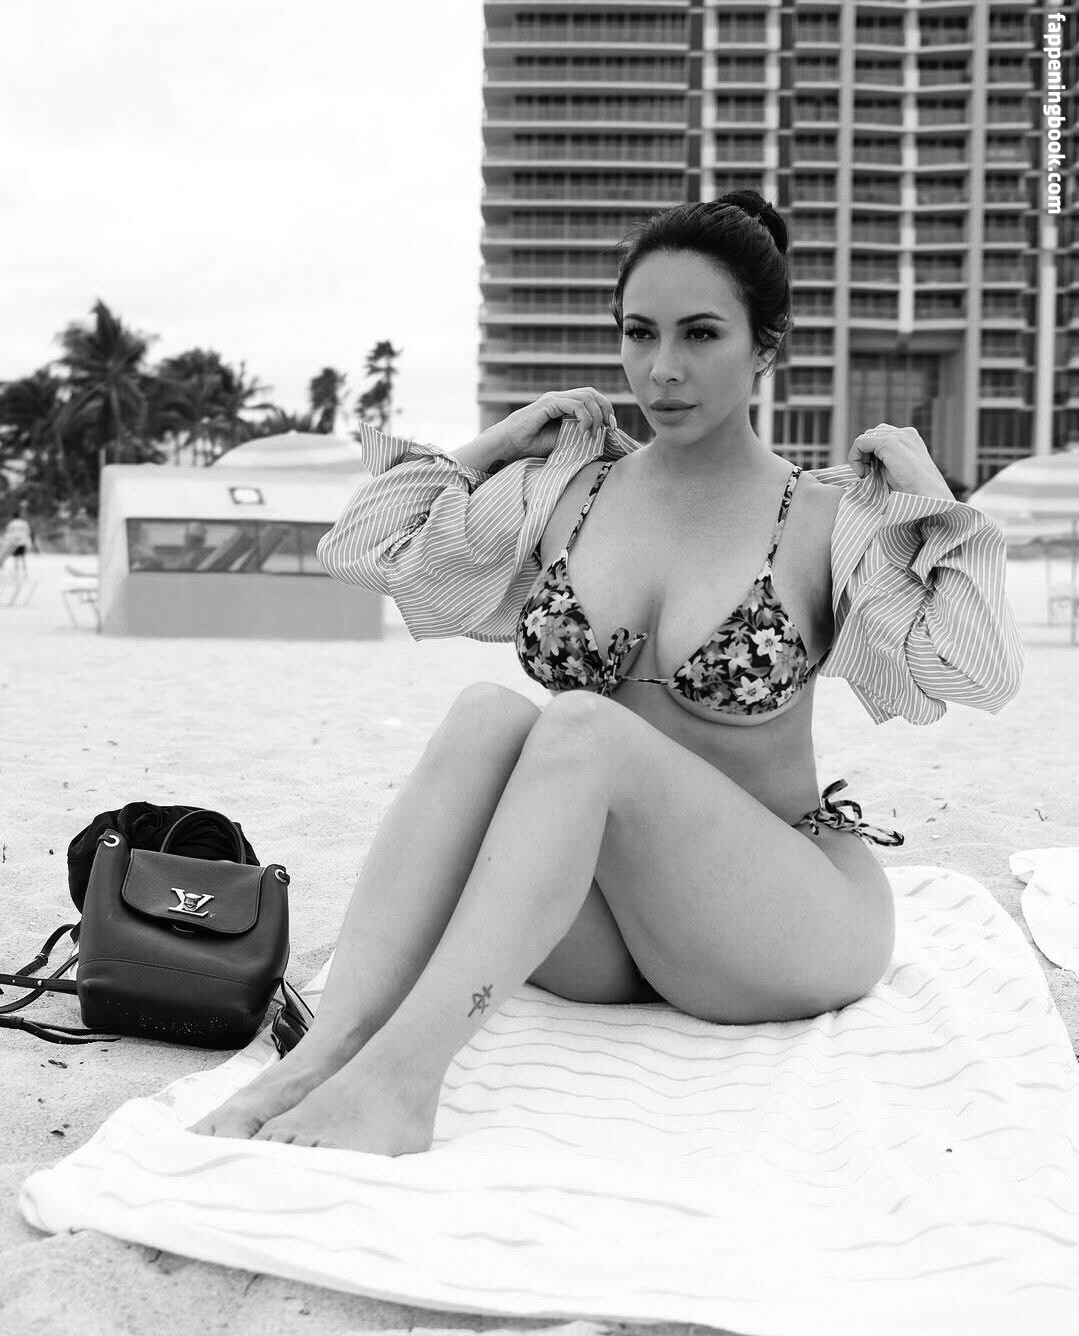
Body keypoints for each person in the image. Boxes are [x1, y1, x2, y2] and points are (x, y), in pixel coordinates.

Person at [191, 189, 1023, 1155]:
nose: (662, 369)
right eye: (639, 333)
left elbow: (978, 671)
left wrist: (938, 507)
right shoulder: (570, 493)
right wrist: (496, 442)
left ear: (765, 346)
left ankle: (402, 1084)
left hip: (776, 924)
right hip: (600, 932)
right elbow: (362, 546)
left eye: (700, 334)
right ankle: (326, 1053)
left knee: (581, 727)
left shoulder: (823, 518)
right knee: (486, 713)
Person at [0, 502, 39, 578]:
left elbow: (8, 534)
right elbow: (28, 532)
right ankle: (25, 573)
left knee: (16, 558)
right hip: (23, 543)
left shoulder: (11, 524)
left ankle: (16, 573)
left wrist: (5, 541)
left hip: (14, 543)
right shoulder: (24, 523)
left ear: (13, 517)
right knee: (22, 558)